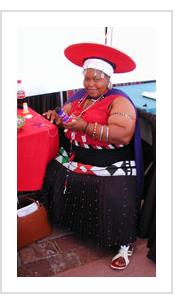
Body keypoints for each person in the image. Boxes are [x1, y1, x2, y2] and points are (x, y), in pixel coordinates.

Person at [40, 42, 143, 270]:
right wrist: (55, 115)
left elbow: (123, 135)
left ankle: (124, 243)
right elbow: (63, 113)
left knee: (115, 191)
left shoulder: (119, 100)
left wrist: (86, 127)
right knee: (52, 168)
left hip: (109, 162)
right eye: (87, 78)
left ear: (108, 79)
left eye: (97, 79)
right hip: (78, 156)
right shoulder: (80, 97)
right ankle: (64, 220)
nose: (91, 84)